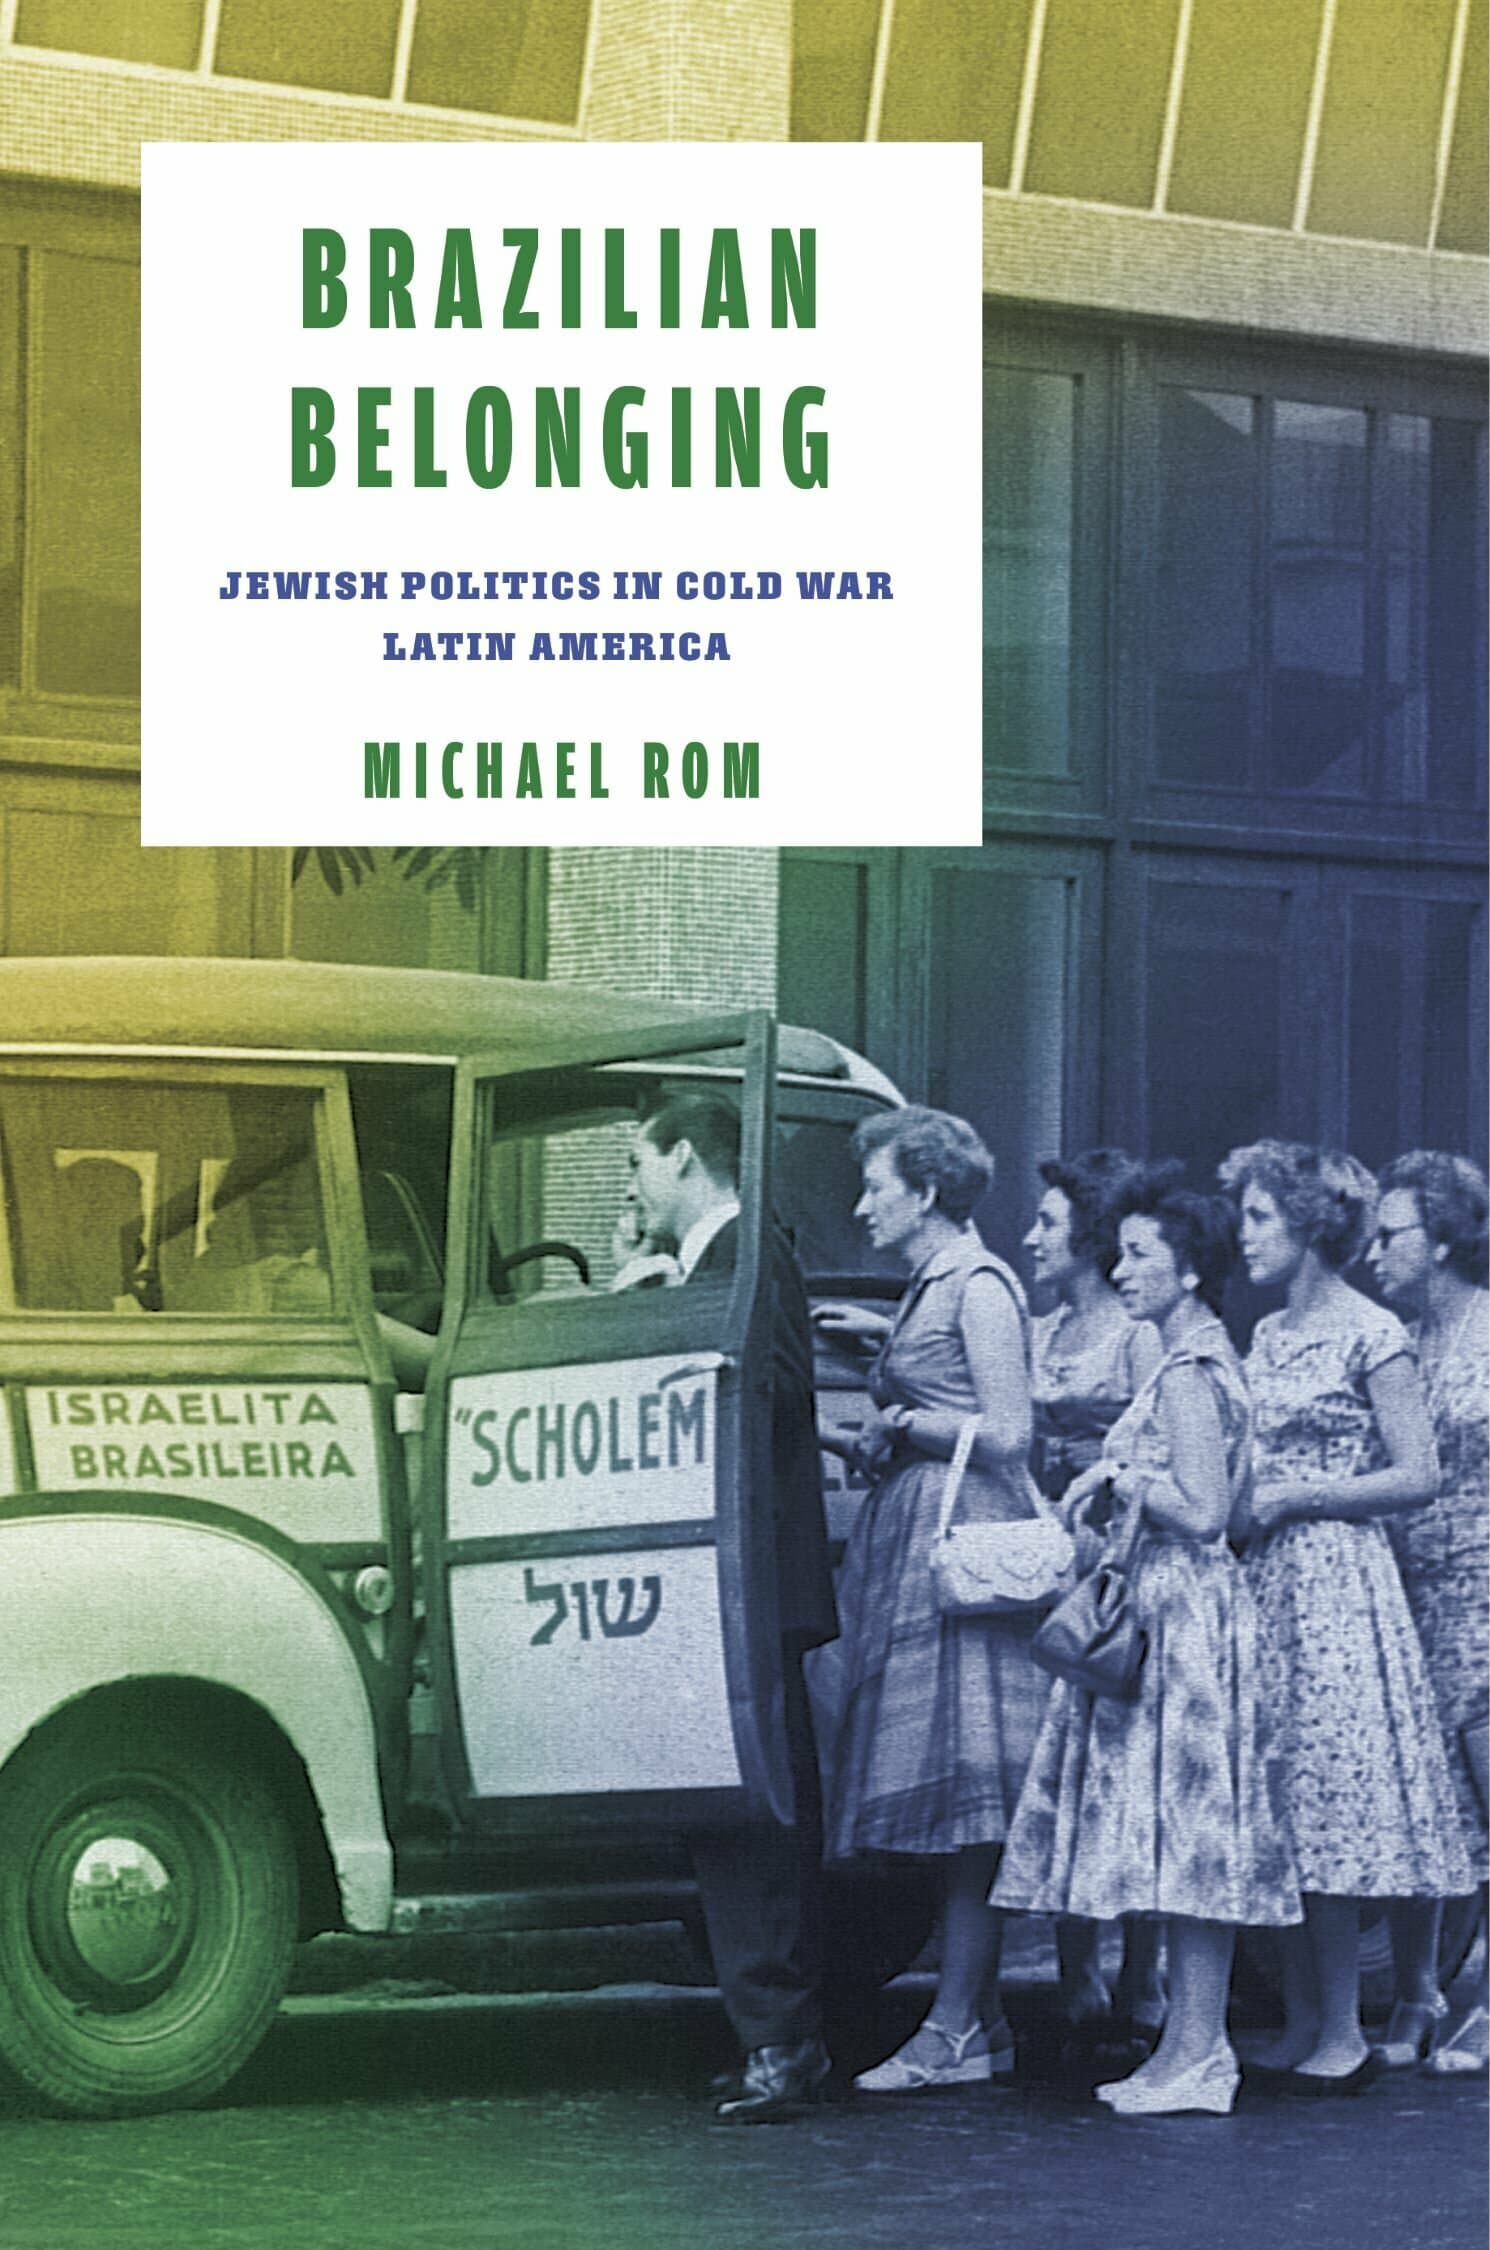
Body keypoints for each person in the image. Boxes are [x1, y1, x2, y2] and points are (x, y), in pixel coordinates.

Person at [995, 1167, 1300, 2117]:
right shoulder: (1204, 1361)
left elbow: (1206, 1512)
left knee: (1193, 1840)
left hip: (1183, 1612)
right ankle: (1188, 2048)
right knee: (1186, 1840)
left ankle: (1201, 2053)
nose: (1121, 1271)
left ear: (1191, 1269)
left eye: (1139, 1255)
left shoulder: (1190, 1372)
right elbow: (1232, 1507)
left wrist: (1119, 1478)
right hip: (1190, 1609)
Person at [1219, 1139, 1470, 2090]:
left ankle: (1342, 2032)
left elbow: (1419, 1473)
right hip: (1269, 1582)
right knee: (1279, 1800)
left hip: (1339, 1582)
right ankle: (1301, 2021)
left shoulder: (1373, 1332)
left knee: (1327, 1803)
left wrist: (1301, 1498)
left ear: (1310, 1223)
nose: (1243, 1236)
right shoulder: (1266, 1334)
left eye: (1259, 1217)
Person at [813, 1106, 1043, 2094]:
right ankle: (976, 2017)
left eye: (877, 1187)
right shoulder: (934, 1285)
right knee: (953, 1803)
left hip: (962, 1548)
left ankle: (954, 2029)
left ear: (928, 1191)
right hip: (919, 1539)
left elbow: (1009, 1432)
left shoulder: (979, 1283)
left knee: (968, 1802)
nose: (863, 1206)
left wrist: (903, 1419)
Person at [628, 1092, 838, 2123]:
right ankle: (772, 2034)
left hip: (744, 1579)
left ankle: (781, 2040)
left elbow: (777, 1388)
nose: (634, 1188)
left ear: (683, 1158)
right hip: (734, 1579)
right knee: (736, 1818)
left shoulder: (748, 1256)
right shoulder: (721, 1259)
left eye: (639, 1164)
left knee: (751, 1823)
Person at [1025, 1150, 1165, 2051]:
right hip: (1049, 1557)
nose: (1032, 1237)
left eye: (1048, 1223)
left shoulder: (1138, 1333)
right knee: (1067, 1761)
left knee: (1130, 1759)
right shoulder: (1041, 1330)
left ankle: (1143, 1968)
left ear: (1091, 1235)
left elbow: (1162, 1443)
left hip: (1119, 1561)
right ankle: (1075, 1963)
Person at [1368, 1151, 1489, 2073]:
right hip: (1413, 1589)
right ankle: (1418, 1993)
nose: (1375, 1252)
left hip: (1485, 1588)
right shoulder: (1401, 1344)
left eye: (1392, 1234)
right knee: (1425, 1807)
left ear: (1442, 1238)